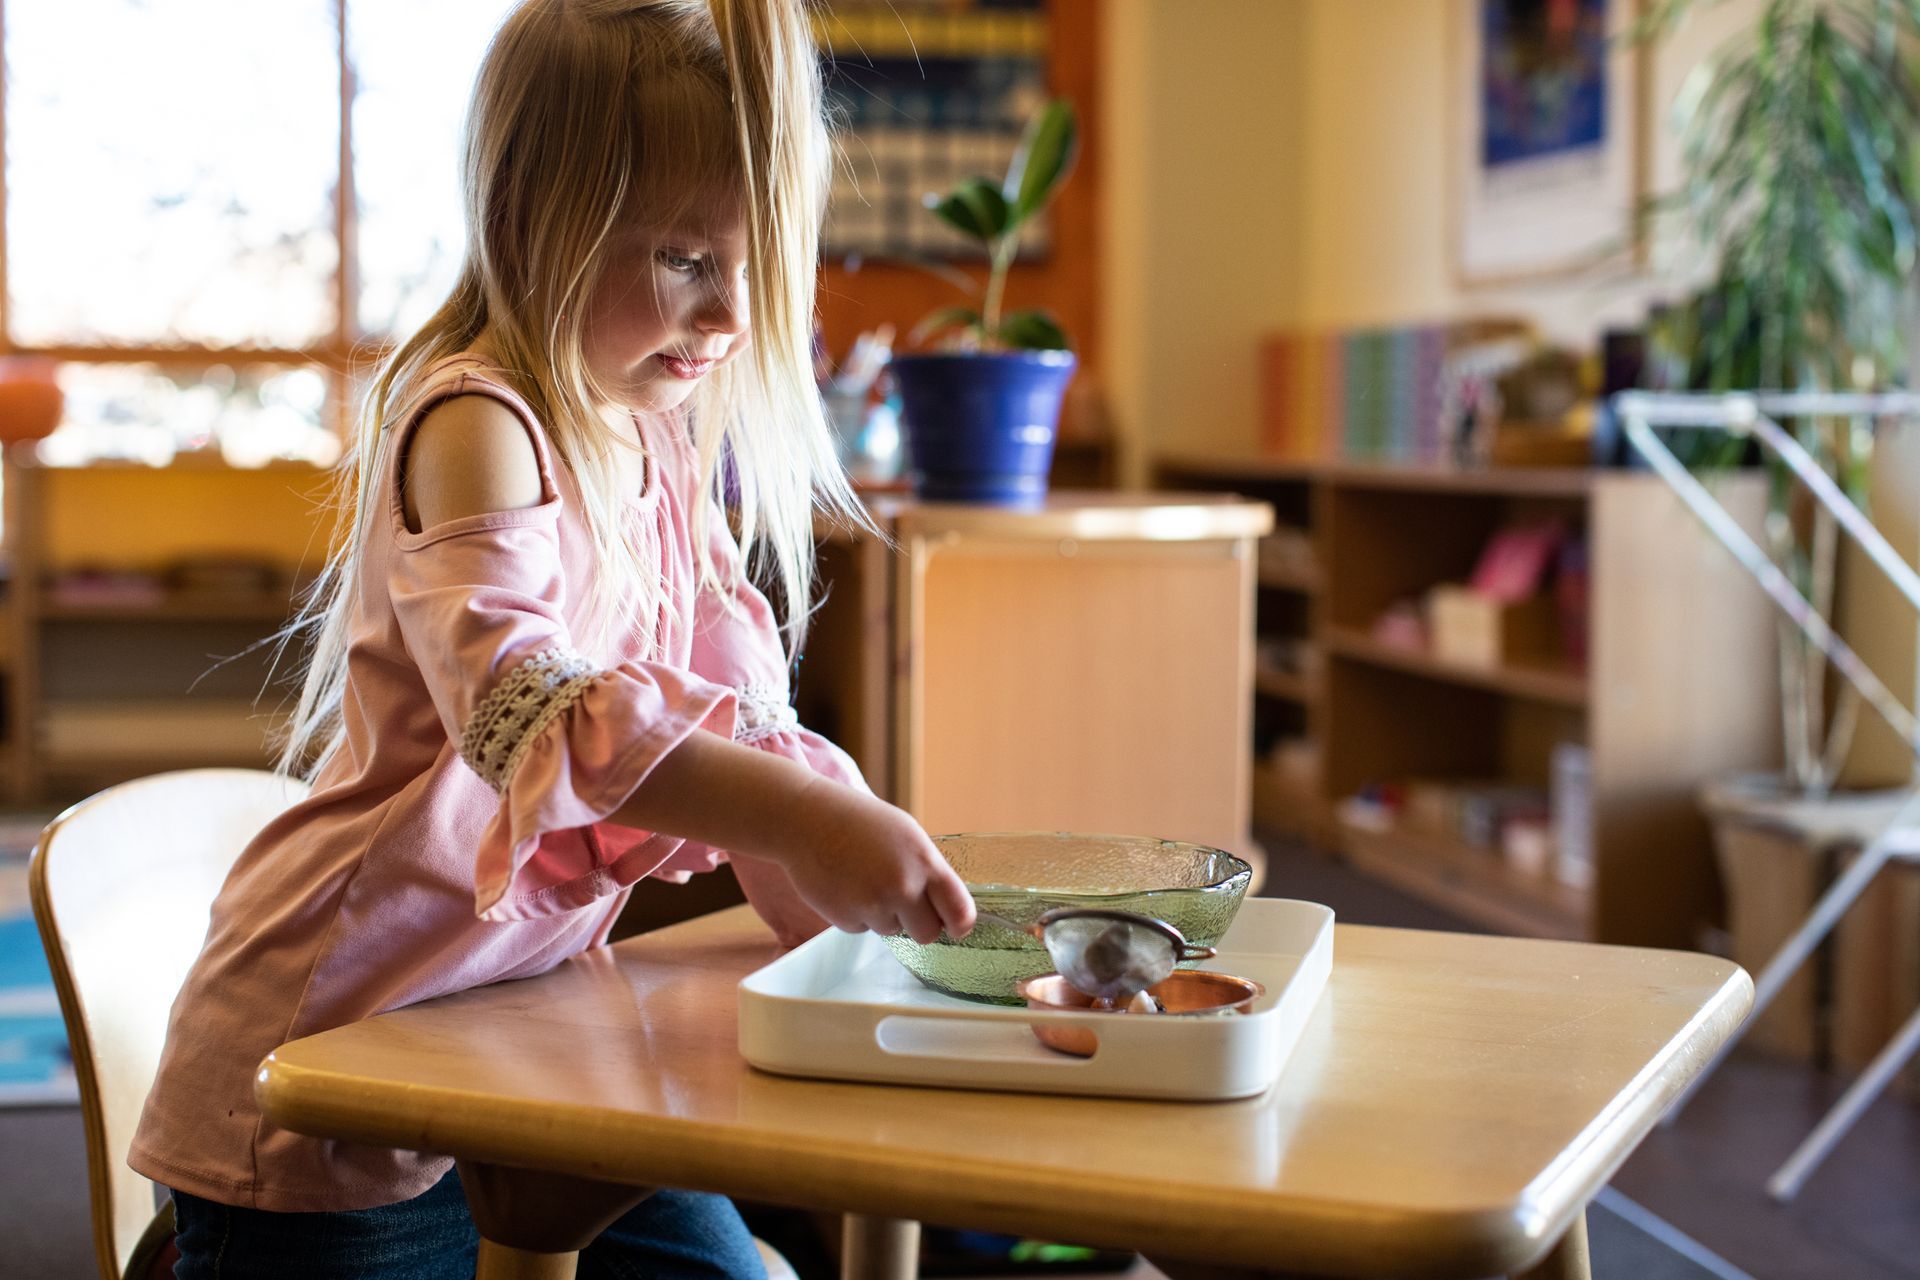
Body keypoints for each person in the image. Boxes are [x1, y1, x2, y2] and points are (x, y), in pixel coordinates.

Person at [127, 2, 975, 1275]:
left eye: (754, 264)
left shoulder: (656, 441)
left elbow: (739, 728)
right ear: (534, 214)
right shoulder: (478, 421)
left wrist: (859, 934)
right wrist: (808, 823)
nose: (733, 314)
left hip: (518, 1050)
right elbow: (524, 709)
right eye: (687, 258)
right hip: (326, 1086)